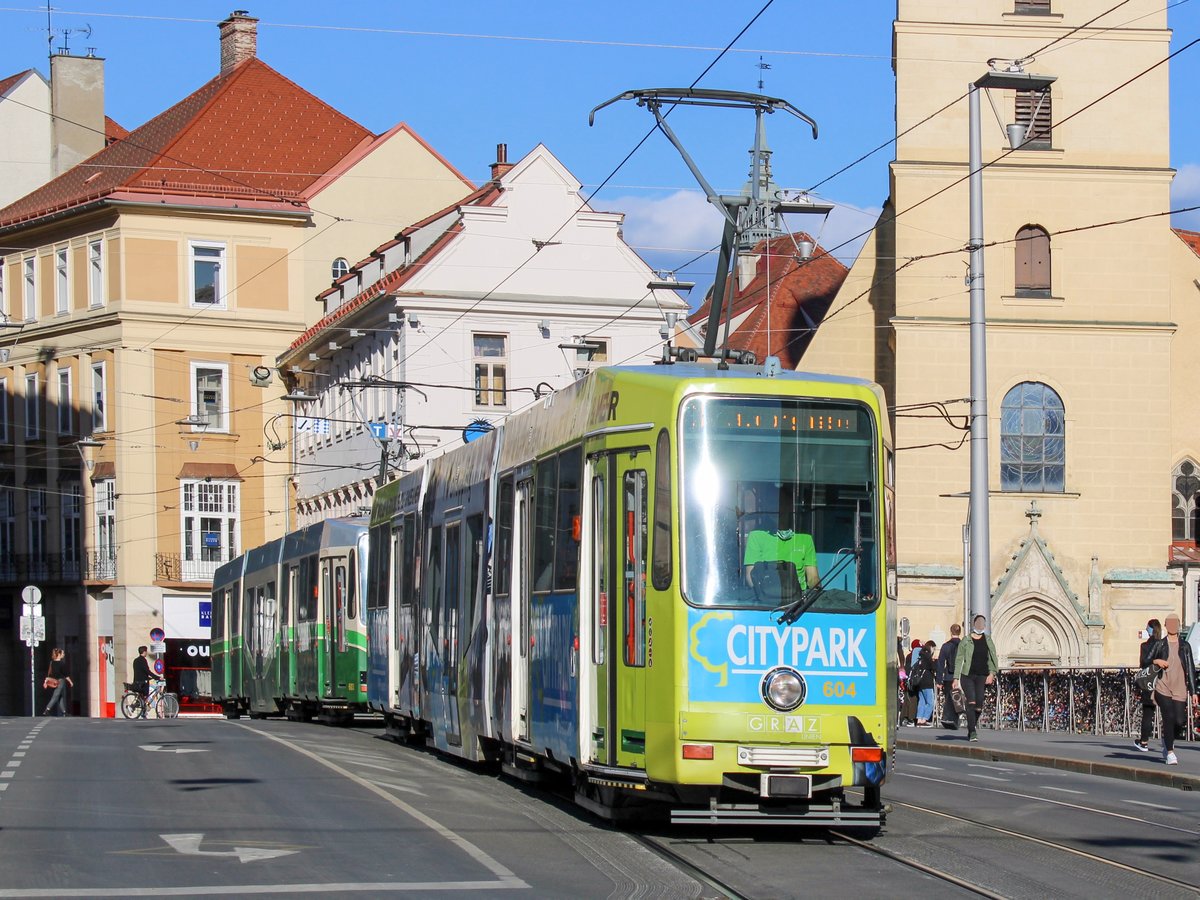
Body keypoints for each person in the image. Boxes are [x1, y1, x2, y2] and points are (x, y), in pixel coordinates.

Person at [1147, 613, 1198, 765]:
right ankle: (1170, 752)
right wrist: (1156, 660)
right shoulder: (1160, 644)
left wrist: (1194, 692)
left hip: (1180, 688)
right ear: (1165, 625)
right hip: (1163, 687)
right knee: (1168, 716)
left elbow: (1191, 668)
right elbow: (1145, 660)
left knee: (1179, 721)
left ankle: (1167, 739)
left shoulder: (1185, 646)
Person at [952, 614, 999, 743]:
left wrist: (992, 673)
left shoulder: (988, 640)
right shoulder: (966, 640)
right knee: (971, 702)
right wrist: (955, 678)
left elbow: (992, 657)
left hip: (982, 676)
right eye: (978, 623)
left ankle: (971, 724)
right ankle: (972, 731)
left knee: (979, 705)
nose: (980, 625)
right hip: (967, 675)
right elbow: (959, 659)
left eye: (982, 623)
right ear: (973, 624)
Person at [1133, 618, 1162, 752]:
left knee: (1148, 713)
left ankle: (1144, 741)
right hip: (1162, 681)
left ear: (1150, 630)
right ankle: (1169, 744)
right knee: (1167, 713)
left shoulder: (1144, 646)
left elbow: (1142, 664)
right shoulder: (1163, 644)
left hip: (1148, 683)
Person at [937, 624, 963, 729]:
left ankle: (948, 718)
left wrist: (939, 680)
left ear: (950, 632)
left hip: (948, 676)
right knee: (958, 698)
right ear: (960, 632)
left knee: (949, 698)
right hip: (961, 676)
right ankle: (956, 719)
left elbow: (940, 663)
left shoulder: (946, 646)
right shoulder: (963, 645)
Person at [42, 648, 73, 717]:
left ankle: (64, 712)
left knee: (59, 696)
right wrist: (70, 682)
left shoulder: (52, 663)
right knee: (55, 696)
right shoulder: (62, 663)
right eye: (63, 653)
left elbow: (49, 674)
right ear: (59, 654)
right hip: (60, 681)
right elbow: (66, 674)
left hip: (53, 682)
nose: (64, 654)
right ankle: (47, 710)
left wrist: (45, 682)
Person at [912, 640, 936, 727]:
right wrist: (935, 662)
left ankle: (919, 719)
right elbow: (933, 667)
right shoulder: (928, 656)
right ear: (931, 647)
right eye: (934, 648)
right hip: (927, 682)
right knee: (930, 702)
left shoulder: (920, 656)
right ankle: (924, 719)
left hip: (920, 683)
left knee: (922, 701)